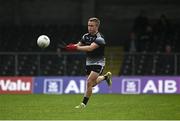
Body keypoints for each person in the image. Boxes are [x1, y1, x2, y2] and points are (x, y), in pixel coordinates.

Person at [65, 17, 112, 109]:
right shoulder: (85, 36)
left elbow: (90, 48)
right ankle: (105, 77)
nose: (89, 27)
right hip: (89, 62)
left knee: (89, 82)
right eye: (88, 25)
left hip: (99, 62)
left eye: (92, 26)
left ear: (97, 26)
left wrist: (76, 48)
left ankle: (83, 104)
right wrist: (71, 46)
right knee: (92, 84)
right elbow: (79, 45)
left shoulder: (100, 38)